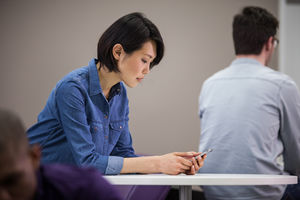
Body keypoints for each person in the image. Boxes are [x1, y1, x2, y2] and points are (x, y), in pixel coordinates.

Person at [27, 12, 205, 175]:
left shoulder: (120, 95)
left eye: (151, 64)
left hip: (71, 185)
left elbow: (124, 156)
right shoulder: (72, 89)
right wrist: (158, 163)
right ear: (118, 52)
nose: (147, 70)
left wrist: (175, 164)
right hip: (30, 183)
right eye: (144, 60)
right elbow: (88, 163)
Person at [198, 6, 300, 200]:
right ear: (270, 43)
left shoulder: (209, 84)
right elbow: (296, 153)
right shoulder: (282, 85)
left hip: (213, 192)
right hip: (264, 193)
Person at [0, 108, 123, 200]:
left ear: (34, 157)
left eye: (12, 181)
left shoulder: (87, 189)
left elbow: (89, 161)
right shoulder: (70, 88)